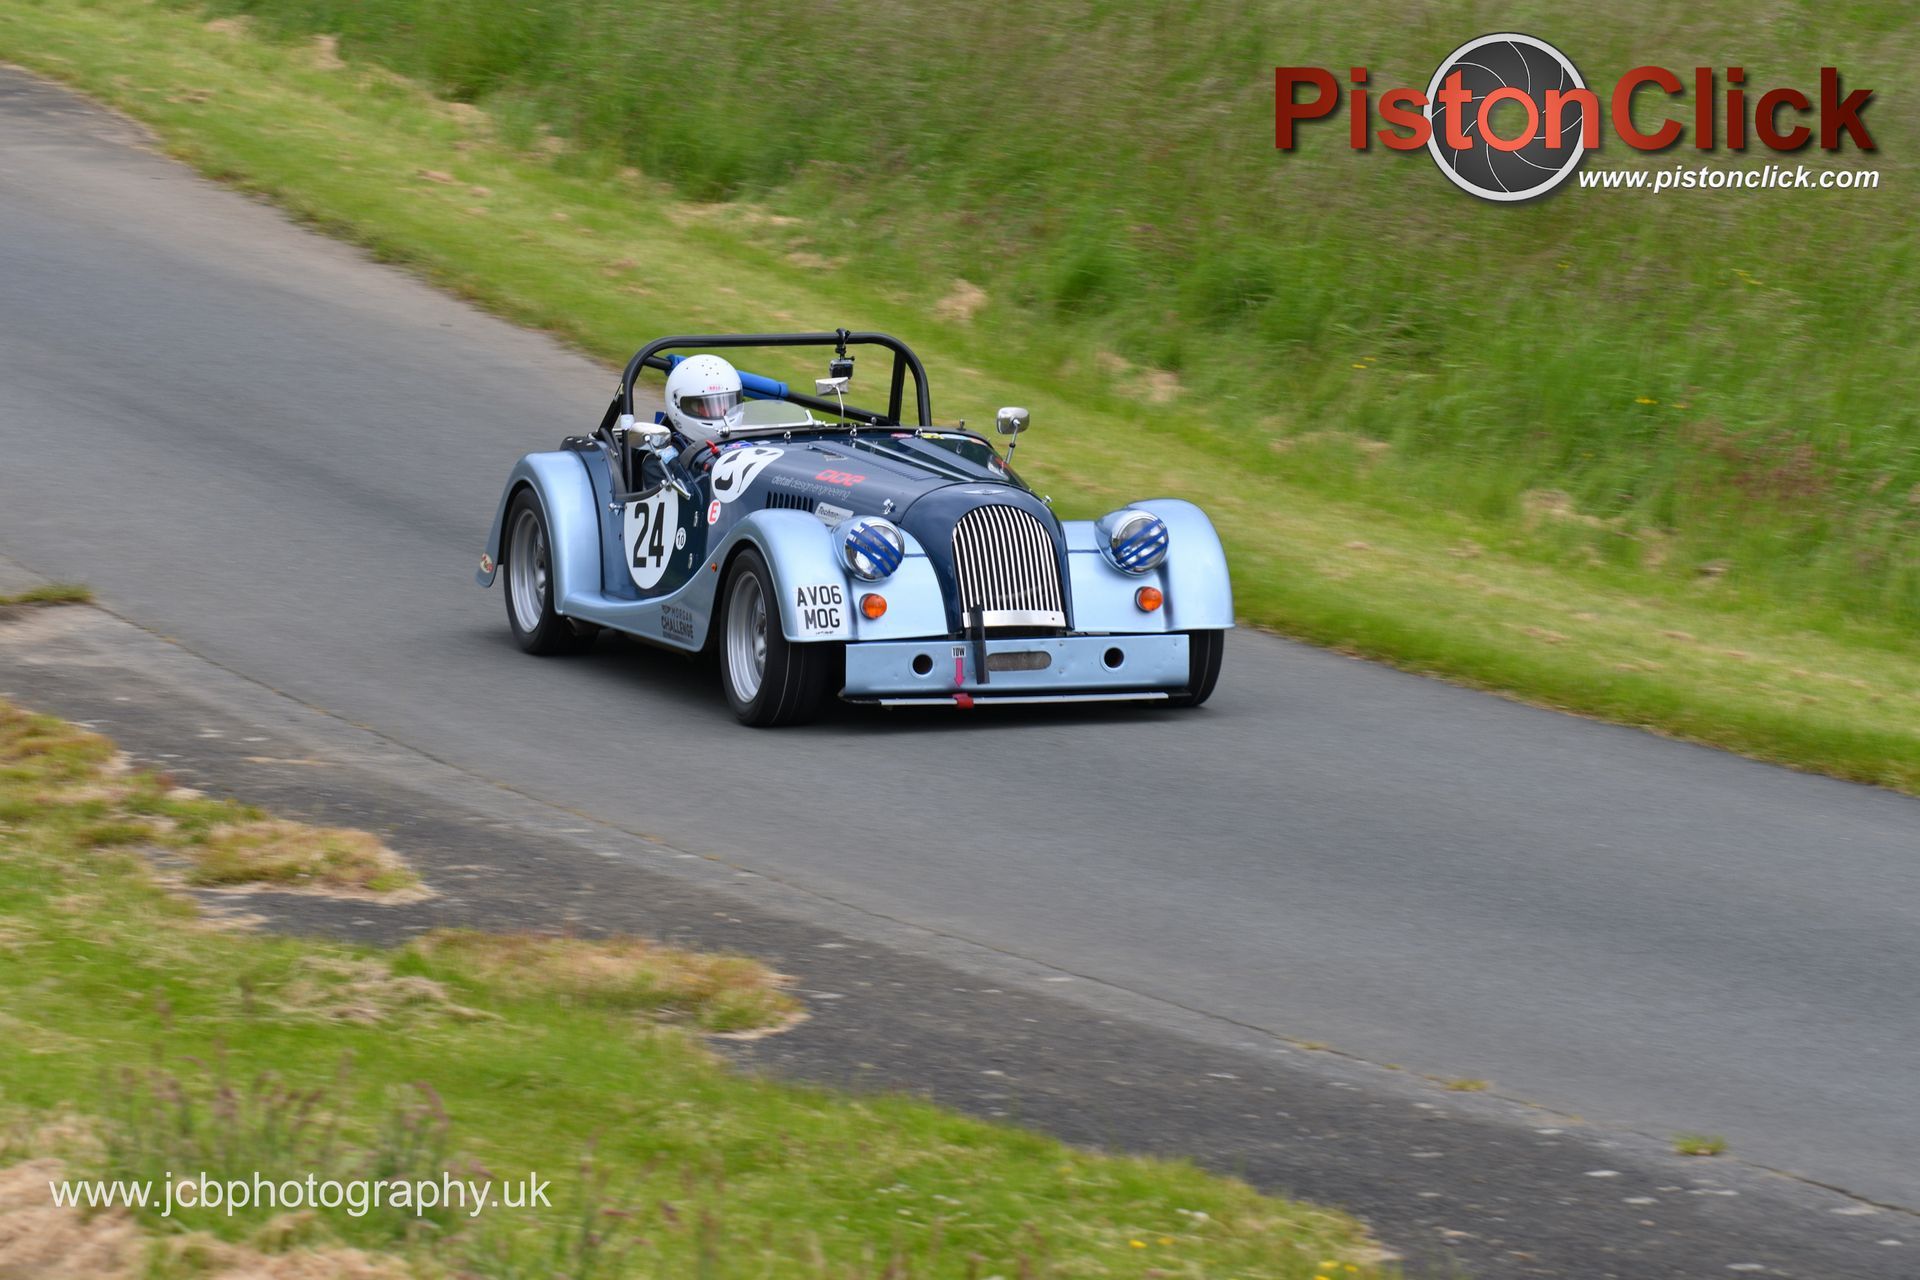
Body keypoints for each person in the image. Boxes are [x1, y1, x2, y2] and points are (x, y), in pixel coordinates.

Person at [663, 354, 745, 443]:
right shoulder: (667, 453)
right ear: (676, 404)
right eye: (706, 407)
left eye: (727, 406)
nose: (719, 411)